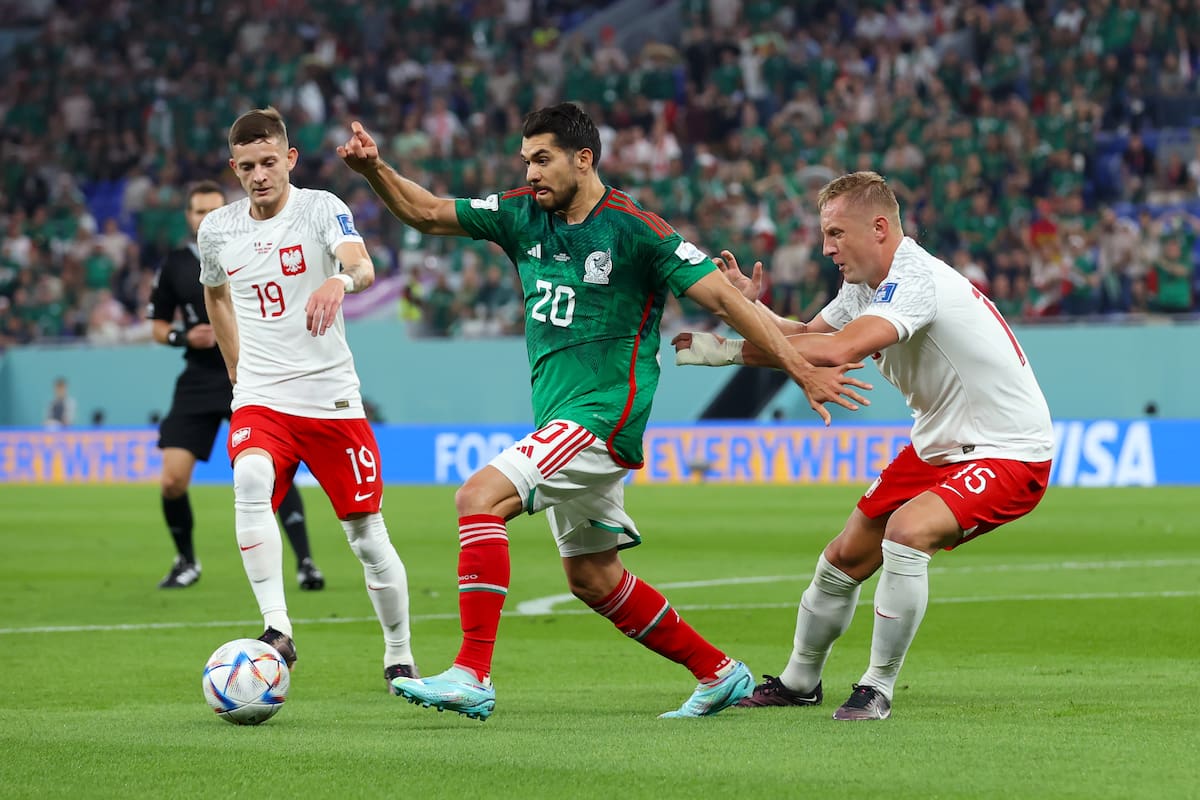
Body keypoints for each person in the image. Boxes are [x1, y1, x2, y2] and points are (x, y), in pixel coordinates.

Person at [339, 102, 870, 720]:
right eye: (526, 160)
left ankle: (471, 673)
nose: (530, 172)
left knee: (477, 497)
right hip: (559, 418)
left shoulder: (636, 230)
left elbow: (725, 302)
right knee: (593, 577)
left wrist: (798, 365)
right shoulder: (520, 214)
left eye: (543, 159)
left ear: (583, 159)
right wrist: (375, 170)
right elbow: (427, 212)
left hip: (601, 416)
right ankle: (719, 672)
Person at [674, 171, 1054, 720]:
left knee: (907, 532)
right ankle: (800, 682)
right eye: (824, 235)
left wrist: (726, 350)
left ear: (879, 228)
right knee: (843, 557)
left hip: (1008, 449)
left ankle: (877, 687)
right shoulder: (864, 287)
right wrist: (742, 310)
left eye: (835, 233)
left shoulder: (915, 278)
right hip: (937, 444)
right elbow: (804, 337)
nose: (826, 248)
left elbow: (839, 350)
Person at [199, 107, 416, 688]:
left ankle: (399, 654)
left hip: (330, 399)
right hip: (262, 396)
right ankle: (277, 628)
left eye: (269, 162)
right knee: (249, 478)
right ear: (234, 168)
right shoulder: (217, 229)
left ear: (290, 158)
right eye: (247, 166)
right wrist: (237, 371)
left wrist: (337, 280)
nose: (259, 175)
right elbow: (215, 295)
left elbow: (362, 267)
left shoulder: (321, 207)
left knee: (366, 535)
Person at [148, 180, 326, 591]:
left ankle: (305, 562)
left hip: (252, 372)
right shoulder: (175, 264)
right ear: (188, 217)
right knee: (172, 480)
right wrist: (181, 336)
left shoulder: (252, 246)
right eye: (198, 211)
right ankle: (186, 561)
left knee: (273, 470)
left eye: (213, 210)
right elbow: (157, 325)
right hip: (198, 377)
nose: (205, 218)